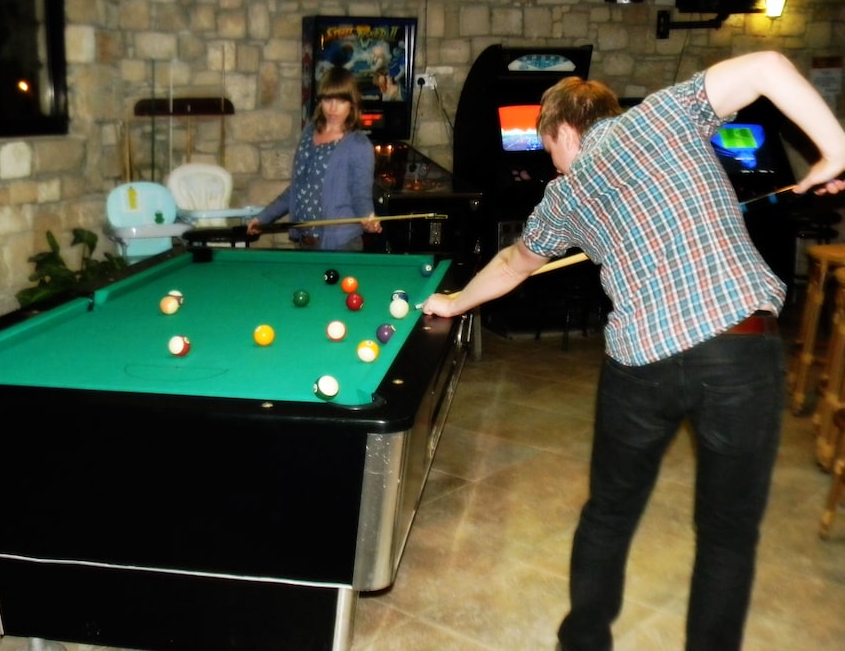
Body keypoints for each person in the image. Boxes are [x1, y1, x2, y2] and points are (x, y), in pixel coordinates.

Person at [421, 51, 845, 651]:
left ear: (564, 130)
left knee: (609, 513)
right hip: (740, 348)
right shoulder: (666, 113)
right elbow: (768, 66)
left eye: (547, 146)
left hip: (643, 362)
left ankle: (583, 642)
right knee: (727, 535)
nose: (550, 161)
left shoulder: (567, 193)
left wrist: (454, 301)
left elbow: (514, 262)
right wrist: (834, 148)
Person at [248, 66, 381, 250]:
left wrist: (369, 218)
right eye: (328, 99)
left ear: (352, 103)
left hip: (341, 245)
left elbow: (360, 194)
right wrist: (263, 218)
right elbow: (297, 188)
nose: (333, 108)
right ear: (320, 101)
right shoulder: (308, 133)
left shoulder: (359, 144)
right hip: (304, 242)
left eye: (341, 100)